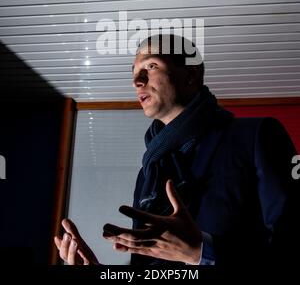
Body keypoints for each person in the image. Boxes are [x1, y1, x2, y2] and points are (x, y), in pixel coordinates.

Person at [54, 33, 299, 270]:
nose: (137, 80)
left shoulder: (258, 135)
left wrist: (202, 252)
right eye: (133, 71)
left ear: (190, 74)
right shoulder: (148, 171)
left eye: (151, 66)